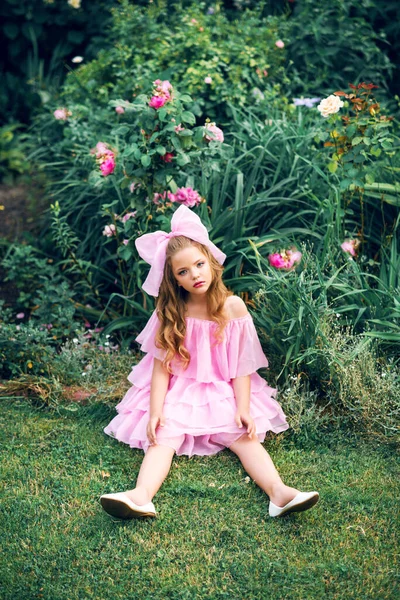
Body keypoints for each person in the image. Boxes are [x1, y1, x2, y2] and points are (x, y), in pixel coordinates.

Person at [100, 205, 319, 520]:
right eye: (183, 272)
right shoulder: (171, 312)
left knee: (243, 436)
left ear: (212, 263)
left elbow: (241, 366)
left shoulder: (233, 308)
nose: (194, 275)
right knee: (162, 437)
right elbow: (161, 367)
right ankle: (141, 496)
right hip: (180, 389)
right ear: (174, 279)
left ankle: (279, 493)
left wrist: (243, 407)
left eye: (199, 264)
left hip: (223, 388)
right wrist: (156, 410)